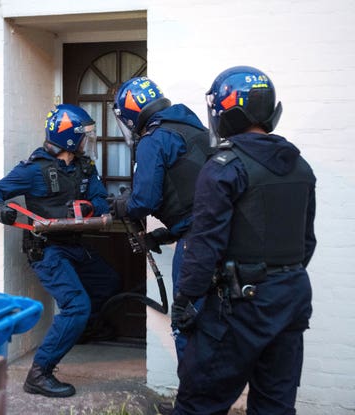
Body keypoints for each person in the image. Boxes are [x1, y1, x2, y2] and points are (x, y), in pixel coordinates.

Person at [170, 66, 316, 414]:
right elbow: (307, 242)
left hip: (239, 305)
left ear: (225, 113)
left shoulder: (224, 166)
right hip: (291, 297)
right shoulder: (300, 167)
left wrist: (186, 300)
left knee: (199, 403)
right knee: (274, 404)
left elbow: (205, 245)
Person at [0, 104, 121, 398]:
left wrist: (91, 208)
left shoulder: (84, 167)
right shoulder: (33, 170)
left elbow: (101, 202)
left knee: (107, 281)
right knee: (76, 304)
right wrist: (0, 210)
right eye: (85, 135)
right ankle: (39, 373)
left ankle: (81, 329)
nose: (88, 141)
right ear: (70, 138)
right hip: (47, 251)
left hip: (73, 245)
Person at [110, 76, 213, 359]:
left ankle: (191, 403)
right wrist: (166, 234)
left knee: (185, 322)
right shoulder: (192, 129)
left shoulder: (153, 139)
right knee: (210, 324)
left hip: (196, 244)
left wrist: (122, 207)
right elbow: (197, 197)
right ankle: (209, 400)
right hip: (219, 235)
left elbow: (144, 200)